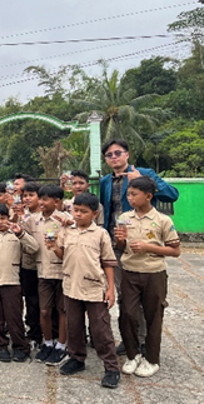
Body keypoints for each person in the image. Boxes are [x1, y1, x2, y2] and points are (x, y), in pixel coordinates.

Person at [99, 138, 179, 355]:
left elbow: (172, 194)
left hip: (142, 245)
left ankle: (144, 341)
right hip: (116, 245)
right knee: (125, 296)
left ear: (127, 154)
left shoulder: (143, 172)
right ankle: (129, 339)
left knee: (145, 298)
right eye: (109, 155)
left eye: (118, 153)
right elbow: (105, 211)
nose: (114, 157)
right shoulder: (106, 181)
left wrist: (143, 179)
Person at [48, 193, 121, 389]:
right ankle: (76, 359)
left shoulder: (100, 234)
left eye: (83, 212)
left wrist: (111, 289)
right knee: (74, 326)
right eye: (75, 210)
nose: (78, 215)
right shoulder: (67, 231)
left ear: (94, 214)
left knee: (100, 329)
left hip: (94, 288)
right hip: (71, 287)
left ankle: (111, 367)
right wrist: (54, 247)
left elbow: (108, 263)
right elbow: (63, 254)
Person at [114, 176, 181, 378]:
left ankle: (152, 359)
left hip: (154, 274)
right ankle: (132, 354)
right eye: (128, 194)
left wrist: (148, 247)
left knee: (153, 317)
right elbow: (121, 247)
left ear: (148, 196)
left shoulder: (162, 220)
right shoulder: (125, 217)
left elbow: (175, 251)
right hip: (130, 272)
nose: (130, 198)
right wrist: (120, 241)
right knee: (127, 314)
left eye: (134, 194)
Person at [22, 184, 73, 366]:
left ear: (57, 201)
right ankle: (48, 342)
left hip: (62, 272)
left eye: (45, 199)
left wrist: (69, 223)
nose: (41, 202)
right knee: (44, 310)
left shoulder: (66, 219)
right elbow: (23, 235)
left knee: (62, 310)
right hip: (43, 272)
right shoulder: (32, 220)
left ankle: (61, 345)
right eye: (40, 198)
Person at [0, 204, 38, 363]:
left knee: (14, 316)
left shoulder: (16, 234)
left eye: (3, 218)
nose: (0, 222)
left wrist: (21, 234)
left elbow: (34, 248)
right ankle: (0, 345)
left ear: (8, 217)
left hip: (11, 280)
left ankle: (20, 346)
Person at [19, 181, 43, 347]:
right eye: (24, 195)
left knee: (47, 304)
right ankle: (34, 334)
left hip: (45, 265)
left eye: (31, 195)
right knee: (32, 302)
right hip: (28, 265)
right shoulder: (22, 215)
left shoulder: (45, 216)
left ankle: (50, 335)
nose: (27, 198)